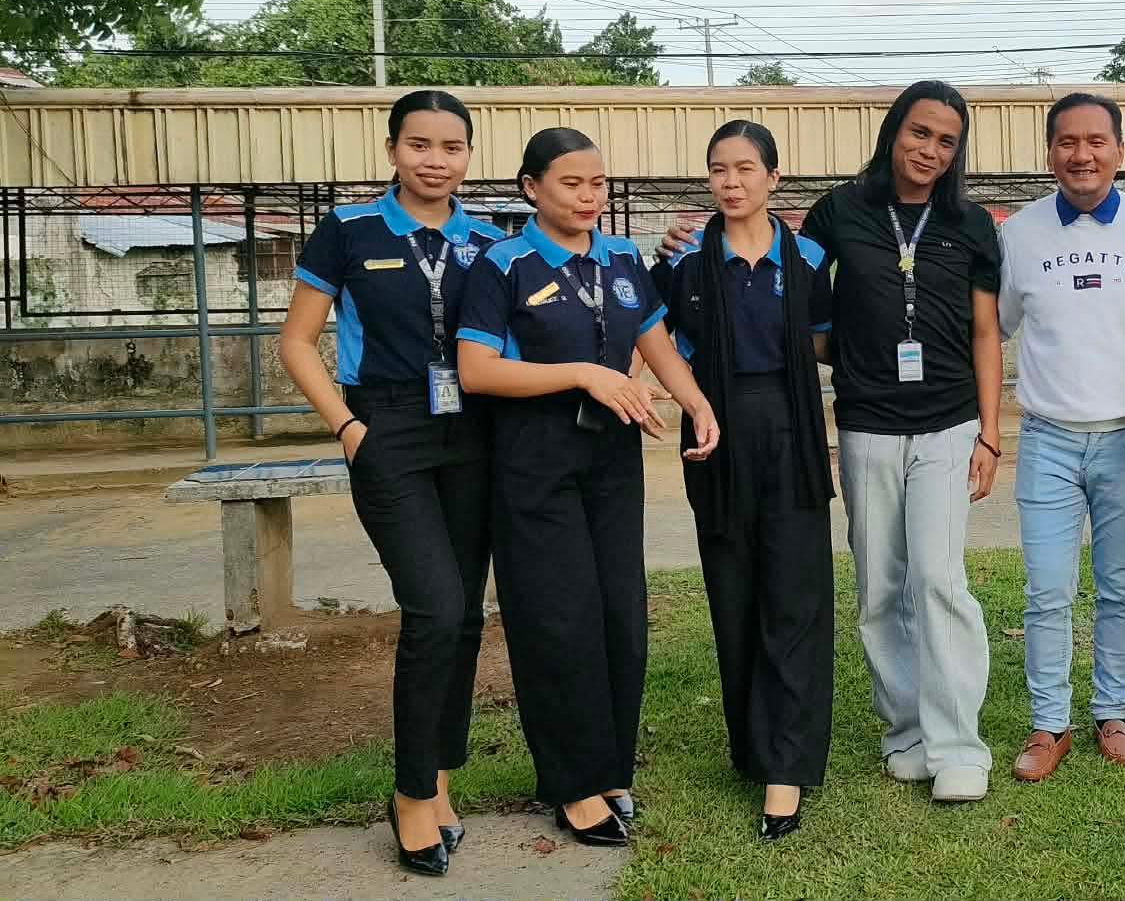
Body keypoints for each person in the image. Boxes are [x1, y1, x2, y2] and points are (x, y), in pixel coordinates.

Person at [669, 81, 1004, 803]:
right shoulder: (840, 211)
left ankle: (957, 745)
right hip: (865, 421)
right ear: (894, 131)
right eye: (919, 132)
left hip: (949, 422)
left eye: (946, 141)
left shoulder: (971, 224)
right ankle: (905, 732)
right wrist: (688, 245)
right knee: (879, 586)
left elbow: (985, 332)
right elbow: (775, 271)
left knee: (939, 579)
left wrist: (991, 430)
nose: (929, 150)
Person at [455, 127, 720, 847]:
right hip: (535, 459)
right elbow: (476, 369)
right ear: (531, 188)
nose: (587, 197)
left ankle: (610, 768)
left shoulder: (622, 258)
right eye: (571, 184)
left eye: (597, 184)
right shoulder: (503, 263)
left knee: (619, 616)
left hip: (611, 458)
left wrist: (696, 402)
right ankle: (572, 783)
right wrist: (585, 373)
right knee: (558, 619)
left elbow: (656, 343)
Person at [279, 89, 504, 876]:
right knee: (434, 606)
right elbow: (297, 340)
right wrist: (348, 427)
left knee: (465, 614)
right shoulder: (349, 229)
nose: (435, 160)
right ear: (392, 150)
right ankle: (410, 793)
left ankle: (439, 777)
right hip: (388, 428)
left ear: (468, 155)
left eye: (451, 146)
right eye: (419, 144)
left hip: (474, 430)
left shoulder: (490, 240)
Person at [651, 120, 835, 841]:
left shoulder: (809, 257)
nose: (731, 182)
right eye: (719, 170)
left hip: (792, 433)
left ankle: (786, 767)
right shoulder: (683, 262)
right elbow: (656, 340)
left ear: (773, 178)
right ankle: (751, 747)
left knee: (795, 594)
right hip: (715, 431)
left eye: (746, 168)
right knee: (734, 593)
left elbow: (826, 340)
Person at [996, 93, 1125, 782]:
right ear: (1050, 153)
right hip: (1047, 439)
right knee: (1047, 590)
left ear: (1120, 150)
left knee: (1120, 585)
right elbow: (997, 326)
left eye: (1097, 141)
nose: (1082, 154)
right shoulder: (1018, 234)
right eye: (1067, 142)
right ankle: (1049, 723)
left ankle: (1112, 710)